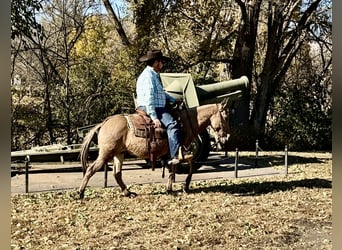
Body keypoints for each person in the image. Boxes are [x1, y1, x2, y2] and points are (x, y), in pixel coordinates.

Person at [136, 49, 181, 165]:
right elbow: (149, 98)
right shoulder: (149, 77)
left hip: (156, 105)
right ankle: (174, 156)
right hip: (154, 107)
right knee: (173, 124)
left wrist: (173, 99)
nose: (163, 64)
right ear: (156, 62)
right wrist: (154, 117)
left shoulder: (152, 75)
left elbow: (160, 93)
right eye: (161, 61)